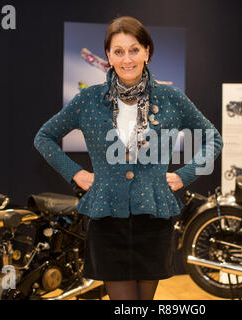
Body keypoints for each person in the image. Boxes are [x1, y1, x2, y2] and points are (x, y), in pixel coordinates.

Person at [34, 16, 223, 300]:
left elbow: (213, 138)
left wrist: (185, 175)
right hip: (108, 221)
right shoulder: (89, 100)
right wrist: (76, 173)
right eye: (118, 51)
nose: (127, 59)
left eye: (134, 50)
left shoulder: (171, 98)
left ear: (147, 52)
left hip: (154, 221)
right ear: (108, 56)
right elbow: (43, 137)